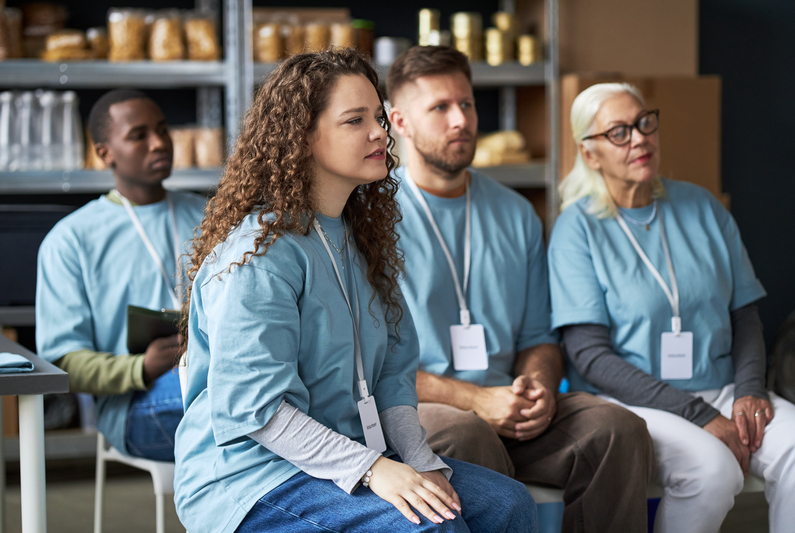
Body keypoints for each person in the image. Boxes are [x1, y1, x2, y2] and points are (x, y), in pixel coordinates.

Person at [173, 48, 537, 533]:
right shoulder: (258, 255)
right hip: (253, 477)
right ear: (301, 138)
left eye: (379, 118)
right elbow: (256, 412)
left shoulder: (362, 236)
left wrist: (418, 458)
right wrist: (375, 470)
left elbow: (390, 377)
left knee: (508, 505)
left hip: (351, 454)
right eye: (354, 121)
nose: (379, 133)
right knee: (432, 528)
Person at [386, 45, 653, 533]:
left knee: (617, 429)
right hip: (420, 412)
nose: (460, 120)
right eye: (440, 108)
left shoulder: (515, 212)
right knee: (467, 433)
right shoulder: (374, 218)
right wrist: (475, 400)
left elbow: (538, 337)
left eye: (466, 104)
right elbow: (373, 362)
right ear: (400, 121)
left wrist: (540, 391)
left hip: (510, 405)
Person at [548, 82, 795, 533]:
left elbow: (744, 315)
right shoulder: (576, 229)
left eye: (645, 123)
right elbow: (589, 355)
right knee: (712, 470)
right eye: (619, 132)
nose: (640, 138)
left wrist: (749, 390)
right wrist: (698, 414)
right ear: (590, 154)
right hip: (632, 402)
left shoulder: (703, 206)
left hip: (722, 388)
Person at [36, 89, 207, 461]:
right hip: (135, 404)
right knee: (235, 400)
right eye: (138, 135)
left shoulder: (213, 215)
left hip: (216, 371)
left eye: (163, 130)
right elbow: (62, 360)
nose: (159, 143)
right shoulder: (71, 239)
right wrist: (140, 368)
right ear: (104, 153)